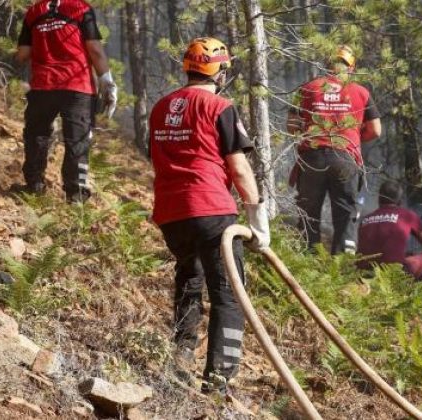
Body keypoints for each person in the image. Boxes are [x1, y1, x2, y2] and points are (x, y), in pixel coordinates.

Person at [148, 37, 270, 395]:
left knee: (189, 281)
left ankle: (180, 362)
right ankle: (219, 382)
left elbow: (156, 157)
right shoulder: (219, 107)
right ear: (219, 70)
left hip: (171, 214)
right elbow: (239, 168)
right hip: (211, 209)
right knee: (228, 294)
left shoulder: (160, 107)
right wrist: (258, 218)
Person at [15, 0, 117, 203]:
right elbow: (95, 49)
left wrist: (47, 43)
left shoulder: (34, 12)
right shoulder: (81, 8)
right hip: (76, 86)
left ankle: (34, 187)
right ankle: (75, 197)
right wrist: (107, 81)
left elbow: (22, 55)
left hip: (43, 85)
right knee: (77, 141)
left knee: (37, 135)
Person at [287, 45, 381, 254]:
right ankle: (341, 268)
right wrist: (354, 138)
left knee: (308, 213)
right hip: (344, 157)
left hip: (312, 157)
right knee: (345, 213)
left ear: (327, 66)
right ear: (351, 67)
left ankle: (307, 264)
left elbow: (292, 126)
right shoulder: (361, 92)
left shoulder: (307, 88)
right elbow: (376, 130)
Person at [356, 181, 422, 280]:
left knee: (407, 256)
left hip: (364, 273)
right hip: (394, 273)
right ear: (400, 201)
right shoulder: (407, 216)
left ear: (379, 199)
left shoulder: (365, 219)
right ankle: (421, 291)